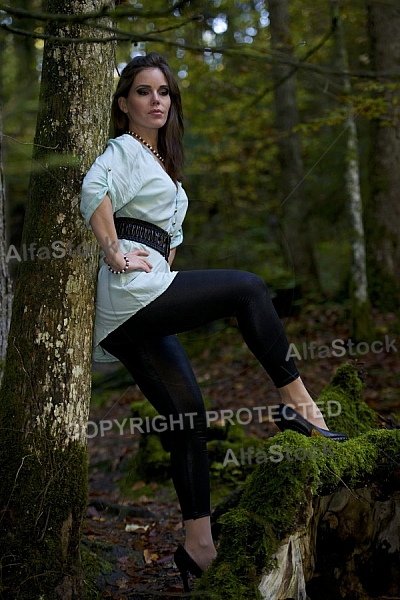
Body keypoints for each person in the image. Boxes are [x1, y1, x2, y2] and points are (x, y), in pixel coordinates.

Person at [80, 52, 347, 592]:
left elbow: (169, 241)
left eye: (165, 92)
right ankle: (304, 409)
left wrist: (164, 262)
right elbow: (94, 192)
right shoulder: (124, 150)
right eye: (144, 91)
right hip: (133, 292)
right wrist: (112, 250)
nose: (157, 100)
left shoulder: (161, 163)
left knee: (189, 418)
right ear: (122, 103)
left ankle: (197, 546)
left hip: (142, 304)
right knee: (248, 288)